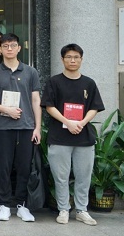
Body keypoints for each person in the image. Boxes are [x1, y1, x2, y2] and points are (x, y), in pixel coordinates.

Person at [42, 43, 104, 226]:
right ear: (62, 59)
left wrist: (81, 123)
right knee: (60, 177)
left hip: (83, 137)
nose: (72, 60)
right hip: (59, 137)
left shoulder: (89, 83)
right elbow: (49, 106)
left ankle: (82, 210)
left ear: (81, 59)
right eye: (68, 57)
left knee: (84, 176)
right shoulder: (54, 82)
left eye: (76, 57)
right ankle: (63, 209)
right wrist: (68, 122)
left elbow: (94, 107)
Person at [0, 33, 42, 222]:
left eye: (13, 45)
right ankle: (4, 204)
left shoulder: (30, 72)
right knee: (3, 167)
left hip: (26, 126)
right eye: (5, 46)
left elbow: (36, 100)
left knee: (24, 167)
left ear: (19, 48)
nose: (9, 49)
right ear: (0, 49)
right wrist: (7, 110)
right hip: (3, 127)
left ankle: (22, 205)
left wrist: (37, 127)